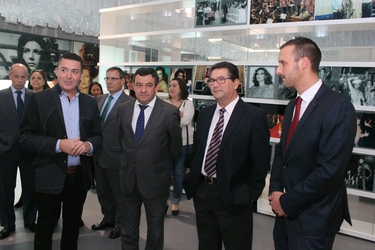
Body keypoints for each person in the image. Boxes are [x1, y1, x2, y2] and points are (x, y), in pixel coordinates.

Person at [268, 36, 357, 250]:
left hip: (314, 219)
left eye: (283, 63)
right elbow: (282, 154)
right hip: (284, 215)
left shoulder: (338, 107)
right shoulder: (292, 106)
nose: (279, 70)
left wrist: (287, 202)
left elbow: (330, 171)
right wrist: (276, 192)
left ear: (304, 63)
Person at [183, 61, 270, 250]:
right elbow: (199, 151)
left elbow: (261, 162)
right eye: (212, 80)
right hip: (203, 193)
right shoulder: (205, 114)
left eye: (222, 79)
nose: (215, 84)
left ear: (237, 83)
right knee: (206, 245)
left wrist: (249, 195)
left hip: (234, 196)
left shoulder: (254, 116)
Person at [19, 53, 102, 250]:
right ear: (56, 71)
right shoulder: (39, 100)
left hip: (79, 178)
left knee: (72, 228)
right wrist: (58, 145)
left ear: (81, 75)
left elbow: (98, 136)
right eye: (64, 70)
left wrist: (88, 146)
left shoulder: (90, 102)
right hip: (49, 174)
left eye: (74, 71)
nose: (68, 76)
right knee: (45, 228)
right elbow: (25, 137)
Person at [117, 67, 182, 250]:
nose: (143, 90)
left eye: (148, 85)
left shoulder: (169, 112)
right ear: (133, 86)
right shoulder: (123, 110)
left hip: (156, 181)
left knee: (155, 232)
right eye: (139, 85)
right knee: (127, 230)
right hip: (129, 179)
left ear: (156, 87)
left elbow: (174, 148)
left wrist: (155, 162)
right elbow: (121, 140)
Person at [91, 67, 131, 239]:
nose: (109, 82)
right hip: (98, 155)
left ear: (122, 81)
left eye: (114, 79)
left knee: (119, 194)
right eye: (107, 78)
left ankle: (120, 224)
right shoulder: (99, 99)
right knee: (103, 191)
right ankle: (108, 217)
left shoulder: (129, 103)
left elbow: (129, 134)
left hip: (117, 157)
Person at [0, 64, 37, 239]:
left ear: (27, 77)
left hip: (29, 151)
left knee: (31, 188)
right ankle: (7, 223)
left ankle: (30, 220)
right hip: (6, 151)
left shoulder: (34, 97)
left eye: (23, 77)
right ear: (10, 76)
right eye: (17, 77)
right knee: (6, 189)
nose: (20, 81)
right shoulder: (1, 97)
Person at [166, 77, 194, 215]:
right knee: (166, 174)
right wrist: (177, 114)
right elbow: (161, 121)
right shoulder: (165, 103)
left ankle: (175, 201)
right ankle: (163, 201)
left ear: (181, 88)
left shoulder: (187, 104)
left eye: (174, 86)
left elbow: (185, 121)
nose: (171, 88)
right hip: (167, 144)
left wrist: (171, 116)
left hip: (183, 145)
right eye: (170, 85)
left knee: (178, 175)